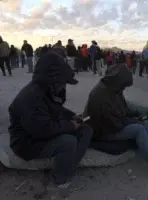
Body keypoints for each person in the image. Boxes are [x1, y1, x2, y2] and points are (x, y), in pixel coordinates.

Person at [8, 51, 93, 197]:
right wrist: (70, 126)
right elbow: (41, 130)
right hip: (27, 142)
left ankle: (68, 168)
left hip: (41, 131)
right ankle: (58, 182)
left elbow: (56, 109)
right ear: (52, 80)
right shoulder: (31, 97)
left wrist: (72, 116)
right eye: (62, 83)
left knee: (86, 130)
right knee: (68, 141)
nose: (63, 86)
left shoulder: (47, 89)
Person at [83, 63, 148, 181]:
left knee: (145, 124)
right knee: (139, 129)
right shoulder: (100, 96)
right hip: (104, 132)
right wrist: (133, 121)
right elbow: (113, 124)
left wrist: (142, 114)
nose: (123, 89)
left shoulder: (113, 89)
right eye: (123, 86)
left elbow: (124, 108)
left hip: (114, 124)